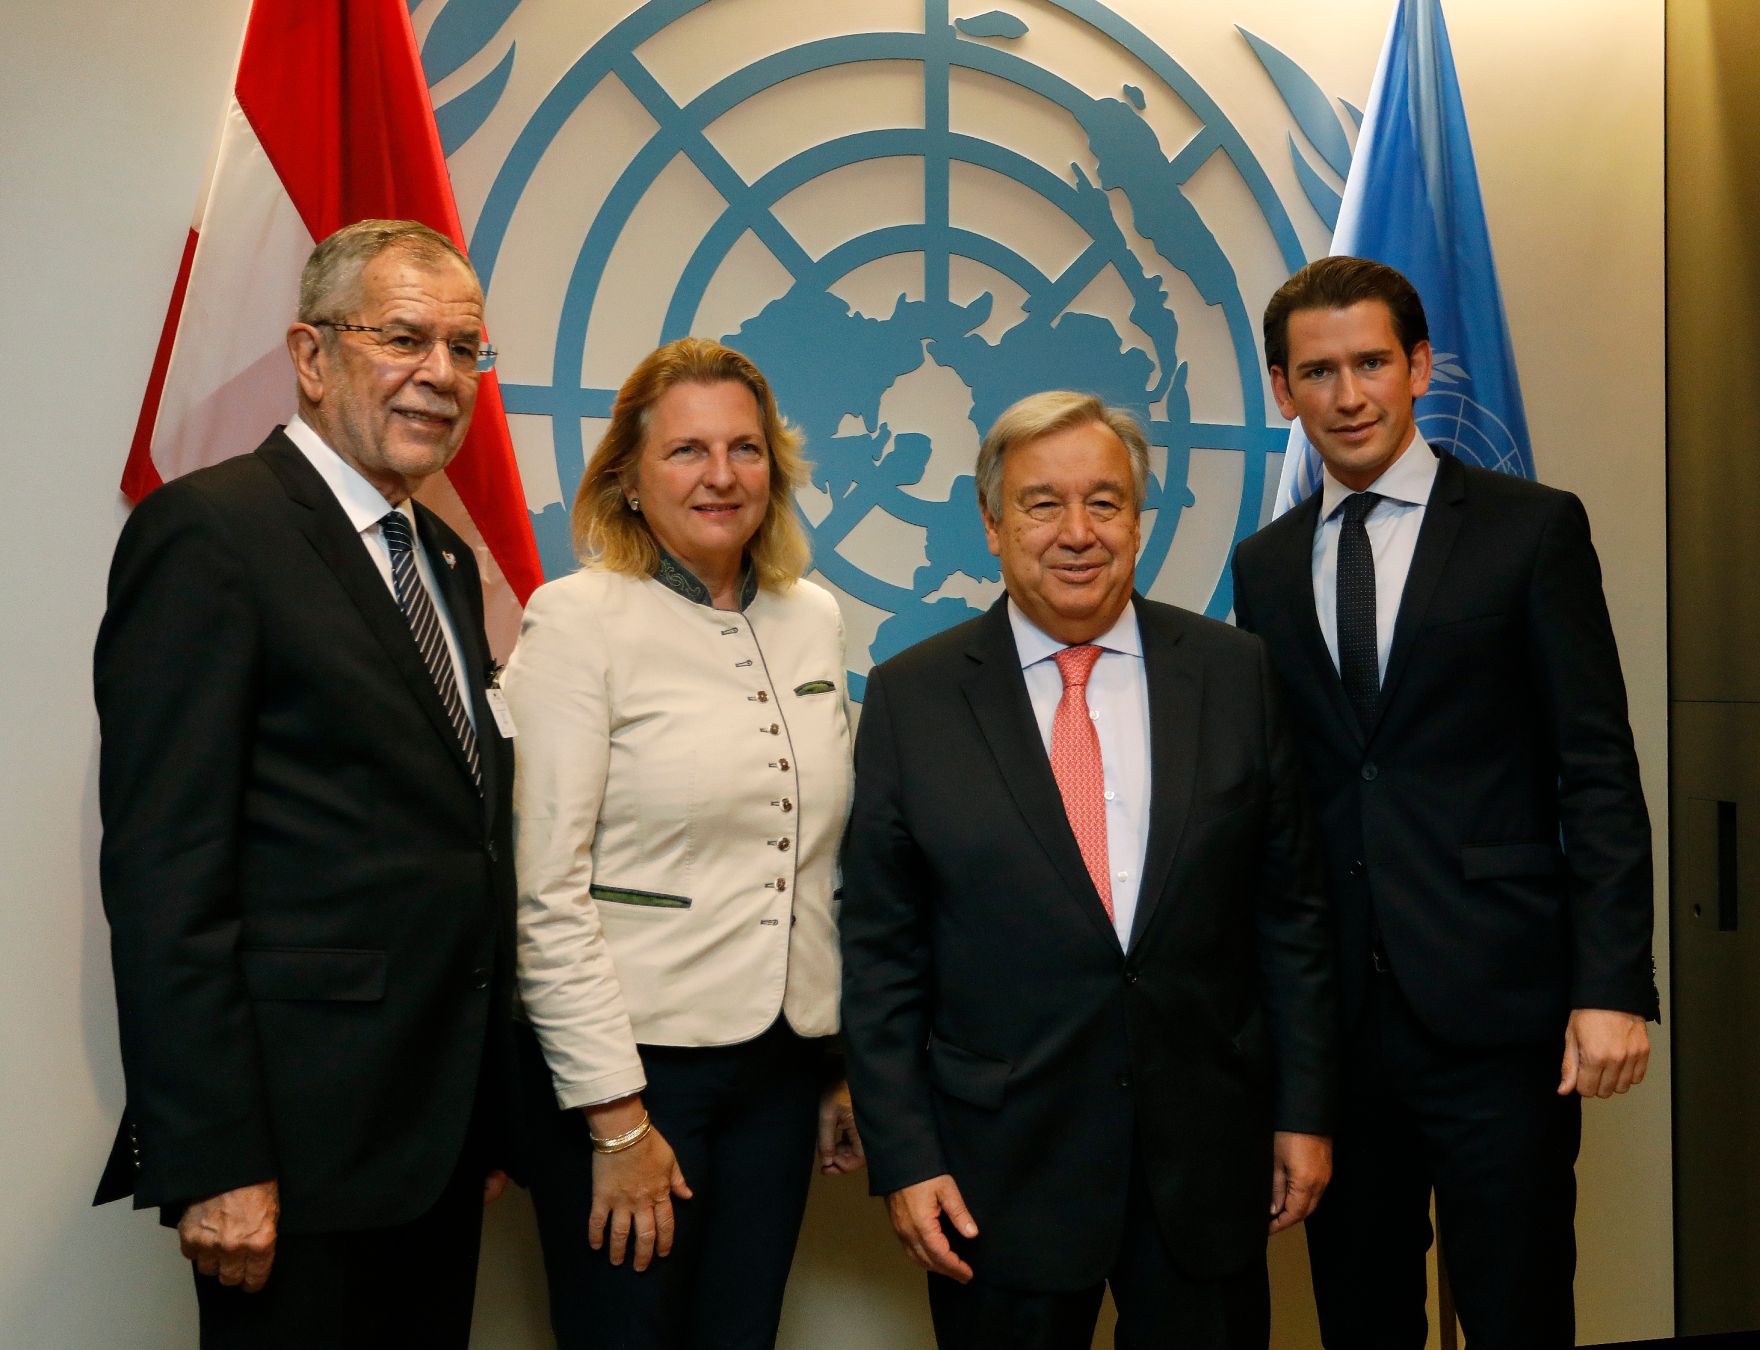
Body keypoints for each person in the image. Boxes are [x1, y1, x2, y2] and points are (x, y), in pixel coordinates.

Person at [92, 219, 517, 1347]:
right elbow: (164, 873)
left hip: (432, 1139)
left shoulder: (438, 557)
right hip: (289, 1150)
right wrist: (215, 1157)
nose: (440, 374)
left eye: (465, 349)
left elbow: (456, 836)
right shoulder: (210, 533)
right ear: (313, 353)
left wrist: (478, 1113)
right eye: (404, 338)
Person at [839, 391, 1335, 1350]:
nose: (1077, 534)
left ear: (1139, 522)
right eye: (1041, 505)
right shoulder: (914, 698)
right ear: (991, 524)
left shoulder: (1235, 674)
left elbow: (1292, 918)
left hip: (1207, 1166)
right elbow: (881, 952)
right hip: (997, 1176)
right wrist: (905, 1157)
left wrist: (1305, 1112)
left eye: (1105, 503)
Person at [1231, 255, 1657, 1348]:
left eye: (1371, 362)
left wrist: (1611, 985)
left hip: (1499, 1017)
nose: (1347, 395)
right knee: (1359, 1319)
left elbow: (1594, 768)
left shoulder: (1529, 529)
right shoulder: (1265, 567)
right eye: (1316, 372)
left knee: (1514, 1312)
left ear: (1417, 367)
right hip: (1340, 1030)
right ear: (1280, 390)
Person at [502, 336, 863, 1350]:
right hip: (631, 1076)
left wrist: (831, 1062)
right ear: (627, 475)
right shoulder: (576, 621)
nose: (720, 476)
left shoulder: (813, 617)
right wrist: (614, 1123)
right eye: (686, 451)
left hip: (780, 1071)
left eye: (744, 450)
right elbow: (546, 892)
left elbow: (817, 862)